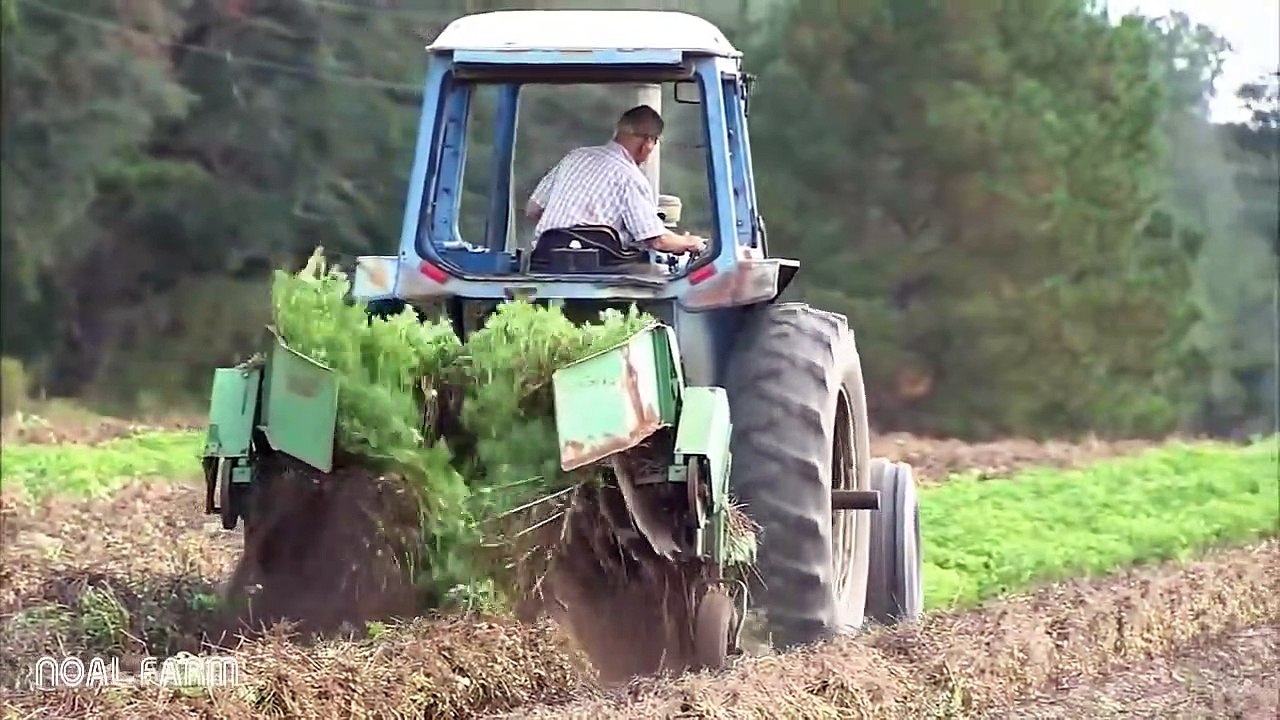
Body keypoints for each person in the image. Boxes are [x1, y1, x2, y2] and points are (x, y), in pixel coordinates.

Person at [525, 105, 708, 257]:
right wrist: (689, 242)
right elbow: (656, 239)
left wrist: (563, 236)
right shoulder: (630, 177)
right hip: (599, 271)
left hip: (544, 260)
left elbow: (533, 209)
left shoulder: (575, 157)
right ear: (648, 144)